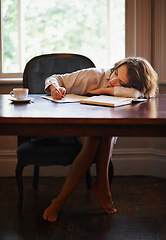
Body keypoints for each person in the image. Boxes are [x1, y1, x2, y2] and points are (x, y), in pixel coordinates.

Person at [43, 57, 158, 222]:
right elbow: (53, 78)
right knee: (103, 133)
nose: (113, 80)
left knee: (101, 134)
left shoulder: (132, 90)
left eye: (121, 83)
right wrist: (55, 88)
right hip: (70, 125)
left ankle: (62, 199)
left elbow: (139, 93)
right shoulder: (93, 76)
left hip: (96, 133)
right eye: (116, 72)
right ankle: (100, 187)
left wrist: (103, 91)